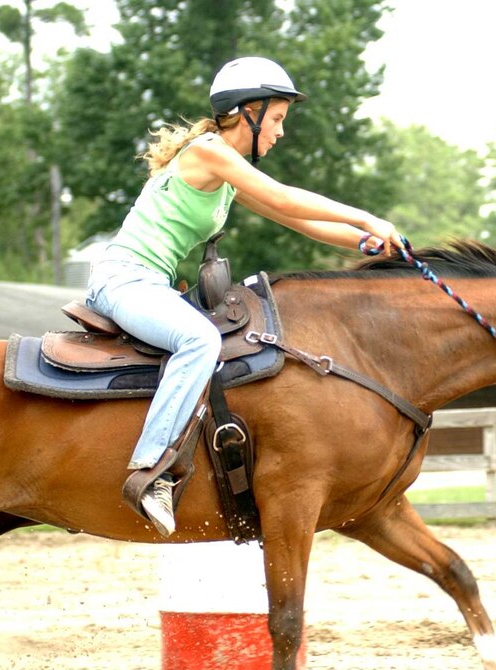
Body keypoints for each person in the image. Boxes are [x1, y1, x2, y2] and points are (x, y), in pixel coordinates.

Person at [86, 56, 403, 537]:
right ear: (247, 111)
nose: (279, 133)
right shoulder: (209, 151)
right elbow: (281, 196)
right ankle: (149, 472)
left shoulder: (226, 175)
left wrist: (364, 243)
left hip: (145, 283)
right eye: (276, 119)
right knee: (199, 342)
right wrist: (366, 217)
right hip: (123, 280)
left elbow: (297, 220)